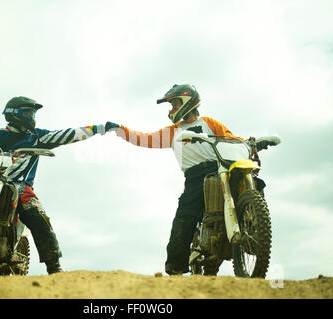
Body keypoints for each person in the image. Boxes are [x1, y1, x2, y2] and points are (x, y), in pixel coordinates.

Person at [111, 84, 269, 275]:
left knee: (251, 182)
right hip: (196, 177)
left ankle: (254, 225)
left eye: (175, 104)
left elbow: (231, 138)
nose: (171, 109)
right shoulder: (173, 132)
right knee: (185, 216)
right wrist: (121, 131)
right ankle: (176, 267)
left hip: (220, 167)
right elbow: (144, 138)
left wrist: (251, 143)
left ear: (187, 102)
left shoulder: (209, 123)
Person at [0, 96, 116, 274]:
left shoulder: (37, 136)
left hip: (19, 185)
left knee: (38, 214)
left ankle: (54, 266)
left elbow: (66, 135)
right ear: (14, 114)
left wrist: (98, 128)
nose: (32, 117)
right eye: (28, 113)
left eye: (33, 113)